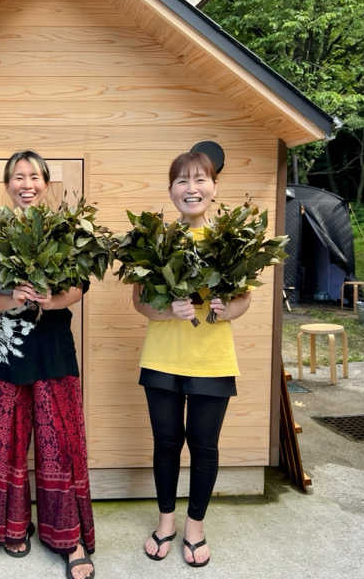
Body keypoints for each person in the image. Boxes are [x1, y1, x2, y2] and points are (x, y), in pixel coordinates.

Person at [0, 151, 96, 579]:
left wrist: (52, 299)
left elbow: (80, 287)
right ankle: (12, 524)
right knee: (6, 439)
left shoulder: (65, 230)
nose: (26, 183)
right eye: (17, 176)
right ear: (6, 183)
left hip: (52, 345)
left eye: (34, 176)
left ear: (46, 183)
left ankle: (70, 537)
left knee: (57, 440)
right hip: (6, 347)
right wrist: (14, 299)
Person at [133, 151, 251, 568]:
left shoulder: (230, 240)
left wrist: (222, 309)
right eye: (182, 181)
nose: (191, 188)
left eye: (200, 180)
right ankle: (166, 522)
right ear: (170, 191)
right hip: (163, 358)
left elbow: (242, 301)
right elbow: (140, 301)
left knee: (204, 446)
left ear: (214, 188)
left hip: (212, 361)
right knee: (166, 443)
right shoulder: (157, 240)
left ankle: (195, 526)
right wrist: (167, 310)